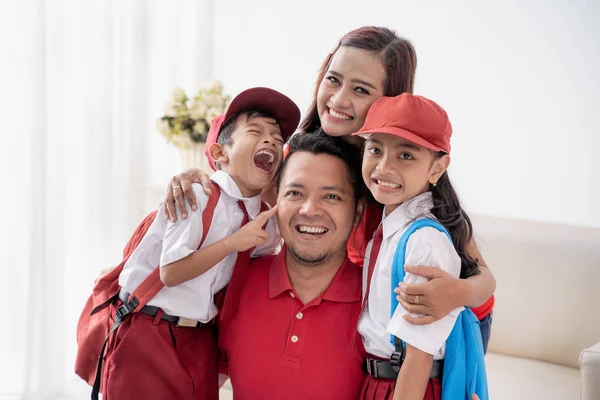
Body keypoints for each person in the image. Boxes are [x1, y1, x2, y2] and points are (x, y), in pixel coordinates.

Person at [162, 27, 495, 348]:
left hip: (448, 322)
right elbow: (234, 183)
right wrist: (194, 173)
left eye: (361, 90)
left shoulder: (403, 178)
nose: (339, 98)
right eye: (333, 80)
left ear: (389, 101)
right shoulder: (298, 155)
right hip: (370, 323)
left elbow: (483, 279)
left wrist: (457, 294)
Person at [100, 87, 300, 399]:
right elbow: (171, 272)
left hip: (198, 339)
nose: (271, 140)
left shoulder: (263, 220)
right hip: (149, 331)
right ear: (221, 153)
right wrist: (236, 241)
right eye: (256, 131)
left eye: (277, 139)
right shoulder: (199, 195)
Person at [354, 93, 486, 399]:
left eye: (406, 155)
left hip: (407, 386)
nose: (384, 166)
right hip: (379, 382)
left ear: (437, 168)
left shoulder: (425, 241)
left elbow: (418, 355)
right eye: (375, 149)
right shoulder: (389, 228)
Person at [219, 131, 368, 399]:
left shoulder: (375, 302)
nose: (310, 210)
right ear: (276, 200)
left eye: (331, 197)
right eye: (295, 193)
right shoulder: (235, 281)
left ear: (357, 212)